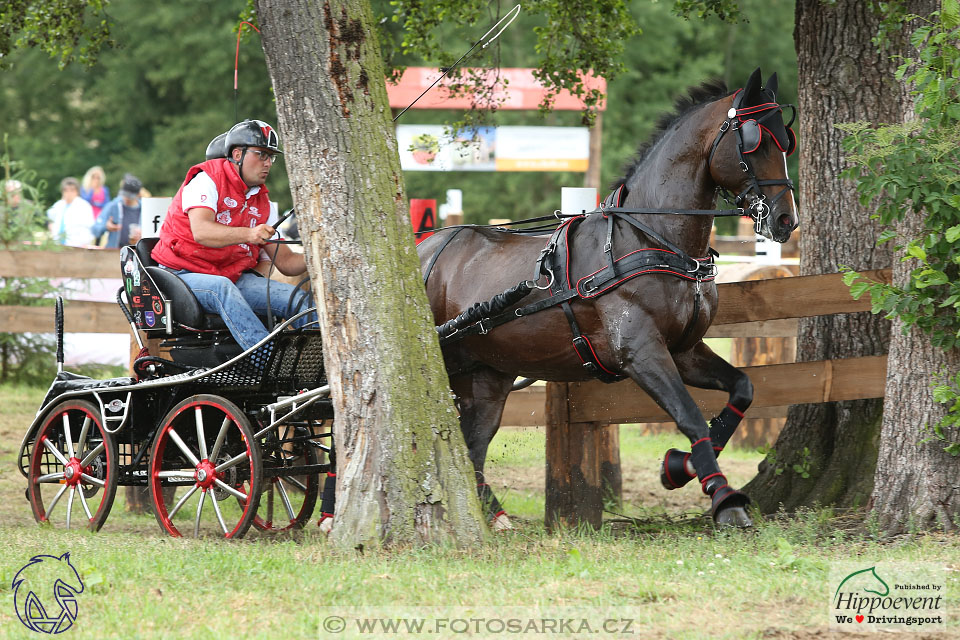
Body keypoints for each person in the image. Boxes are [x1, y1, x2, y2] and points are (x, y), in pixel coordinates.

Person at [151, 119, 312, 351]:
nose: (268, 163)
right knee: (221, 288)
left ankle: (321, 365)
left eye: (271, 157)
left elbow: (286, 263)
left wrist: (319, 257)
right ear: (237, 154)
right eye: (261, 154)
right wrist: (249, 234)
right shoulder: (205, 180)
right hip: (180, 275)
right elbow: (202, 232)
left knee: (295, 298)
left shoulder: (263, 202)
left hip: (227, 277)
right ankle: (267, 360)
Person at [92, 174, 144, 248]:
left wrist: (143, 237)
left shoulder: (145, 210)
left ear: (138, 194)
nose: (126, 198)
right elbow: (95, 230)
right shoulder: (113, 206)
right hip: (114, 252)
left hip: (137, 254)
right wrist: (106, 227)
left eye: (130, 196)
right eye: (125, 195)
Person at [47, 177, 95, 246]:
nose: (69, 193)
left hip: (77, 245)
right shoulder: (59, 205)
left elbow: (89, 228)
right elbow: (49, 218)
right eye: (66, 190)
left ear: (77, 192)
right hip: (58, 244)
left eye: (72, 190)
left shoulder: (84, 206)